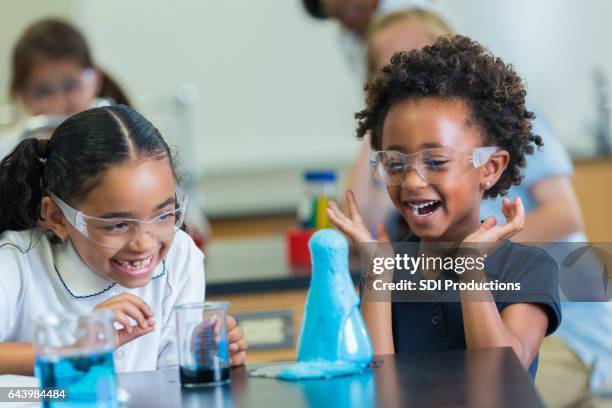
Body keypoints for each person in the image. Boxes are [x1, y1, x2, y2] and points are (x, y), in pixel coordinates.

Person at [327, 35, 561, 378]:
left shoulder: (526, 268)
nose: (411, 182)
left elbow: (499, 379)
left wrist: (470, 270)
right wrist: (378, 275)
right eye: (394, 163)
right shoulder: (388, 267)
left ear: (490, 168)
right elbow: (376, 388)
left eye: (435, 161)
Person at [0, 105, 247, 375]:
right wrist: (70, 349)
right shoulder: (16, 264)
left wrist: (203, 355)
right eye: (118, 224)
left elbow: (170, 384)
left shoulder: (179, 257)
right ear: (59, 218)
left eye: (163, 215)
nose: (144, 244)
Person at [0, 18, 131, 158]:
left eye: (71, 86)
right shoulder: (5, 156)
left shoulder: (125, 144)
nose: (60, 103)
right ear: (22, 96)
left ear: (95, 80)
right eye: (43, 92)